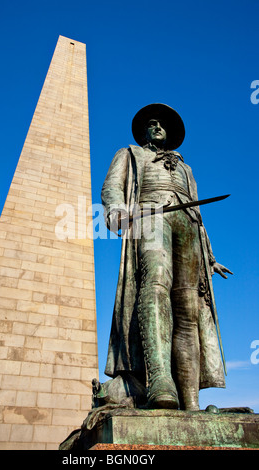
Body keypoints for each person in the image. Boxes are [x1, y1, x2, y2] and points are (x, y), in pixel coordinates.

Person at [101, 103, 232, 411]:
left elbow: (198, 212)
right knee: (156, 284)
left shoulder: (186, 168)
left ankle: (191, 401)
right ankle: (160, 381)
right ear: (144, 130)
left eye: (162, 124)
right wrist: (117, 210)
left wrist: (209, 256)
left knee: (189, 307)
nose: (157, 126)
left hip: (187, 225)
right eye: (151, 123)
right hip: (151, 215)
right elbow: (112, 187)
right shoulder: (130, 153)